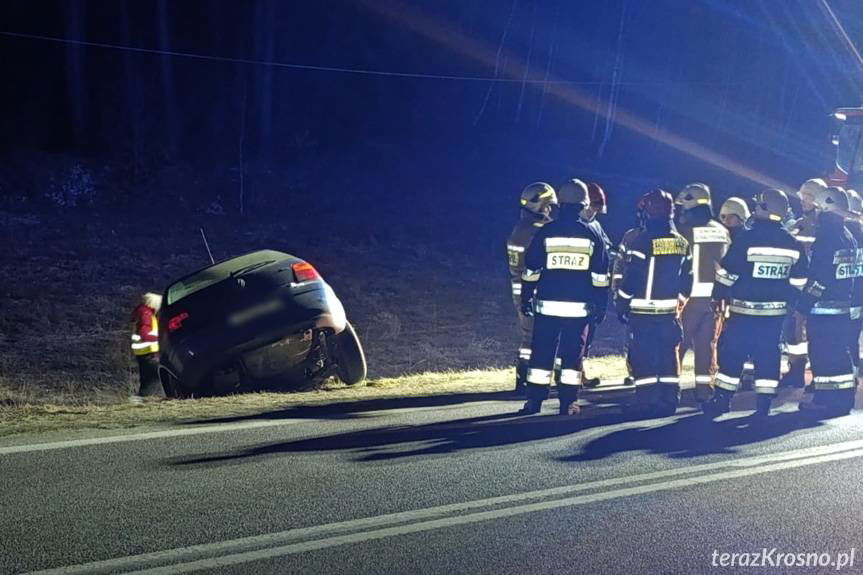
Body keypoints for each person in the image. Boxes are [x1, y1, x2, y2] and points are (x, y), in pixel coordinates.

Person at [703, 188, 808, 419]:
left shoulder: (746, 239)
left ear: (762, 208)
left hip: (743, 313)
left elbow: (727, 274)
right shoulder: (793, 244)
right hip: (774, 317)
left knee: (732, 355)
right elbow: (799, 282)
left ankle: (722, 400)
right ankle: (763, 405)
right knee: (768, 357)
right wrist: (789, 302)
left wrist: (718, 295)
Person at [519, 178, 609, 415]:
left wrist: (526, 296)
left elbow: (531, 269)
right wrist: (601, 306)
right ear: (584, 204)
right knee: (572, 357)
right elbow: (601, 276)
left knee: (541, 354)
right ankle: (568, 402)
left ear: (561, 204)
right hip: (578, 310)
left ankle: (534, 402)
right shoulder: (592, 235)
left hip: (547, 307)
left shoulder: (546, 231)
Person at [616, 189, 689, 416]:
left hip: (643, 312)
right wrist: (679, 301)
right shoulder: (681, 242)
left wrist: (622, 302)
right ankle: (669, 399)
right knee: (668, 355)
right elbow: (689, 279)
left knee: (644, 356)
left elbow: (632, 277)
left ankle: (646, 401)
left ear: (648, 211)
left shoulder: (642, 241)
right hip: (669, 312)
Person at [797, 186, 857, 416]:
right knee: (839, 353)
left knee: (822, 355)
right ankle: (843, 398)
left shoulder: (827, 238)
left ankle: (824, 399)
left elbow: (819, 278)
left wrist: (803, 305)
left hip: (822, 310)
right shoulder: (848, 237)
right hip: (842, 308)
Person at [674, 183, 731, 402]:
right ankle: (704, 391)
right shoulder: (721, 230)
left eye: (683, 209)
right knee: (707, 347)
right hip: (714, 300)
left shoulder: (686, 231)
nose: (681, 214)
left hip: (687, 298)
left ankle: (671, 390)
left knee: (676, 345)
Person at [507, 182, 558, 394]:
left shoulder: (521, 228)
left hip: (522, 289)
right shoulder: (534, 232)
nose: (549, 210)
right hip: (533, 290)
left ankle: (525, 377)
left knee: (530, 335)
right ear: (540, 205)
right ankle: (527, 378)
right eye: (548, 206)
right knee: (534, 336)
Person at [780, 178, 827, 388]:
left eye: (808, 196)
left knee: (815, 334)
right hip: (795, 290)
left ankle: (818, 375)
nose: (804, 200)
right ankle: (796, 370)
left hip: (815, 290)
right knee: (793, 332)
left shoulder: (824, 226)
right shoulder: (798, 224)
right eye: (803, 196)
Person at [580, 181, 613, 388]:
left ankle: (579, 371)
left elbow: (607, 247)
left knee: (587, 334)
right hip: (579, 290)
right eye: (594, 207)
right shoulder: (576, 226)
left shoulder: (595, 225)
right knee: (576, 336)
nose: (596, 212)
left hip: (592, 290)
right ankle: (572, 375)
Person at [130, 292, 165, 399]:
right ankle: (147, 399)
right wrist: (160, 340)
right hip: (149, 352)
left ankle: (142, 399)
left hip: (143, 353)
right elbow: (145, 333)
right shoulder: (146, 314)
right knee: (155, 378)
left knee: (147, 379)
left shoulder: (141, 312)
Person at [845, 189, 863, 377]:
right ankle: (853, 375)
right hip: (859, 298)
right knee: (852, 339)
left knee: (839, 341)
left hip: (843, 298)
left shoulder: (844, 236)